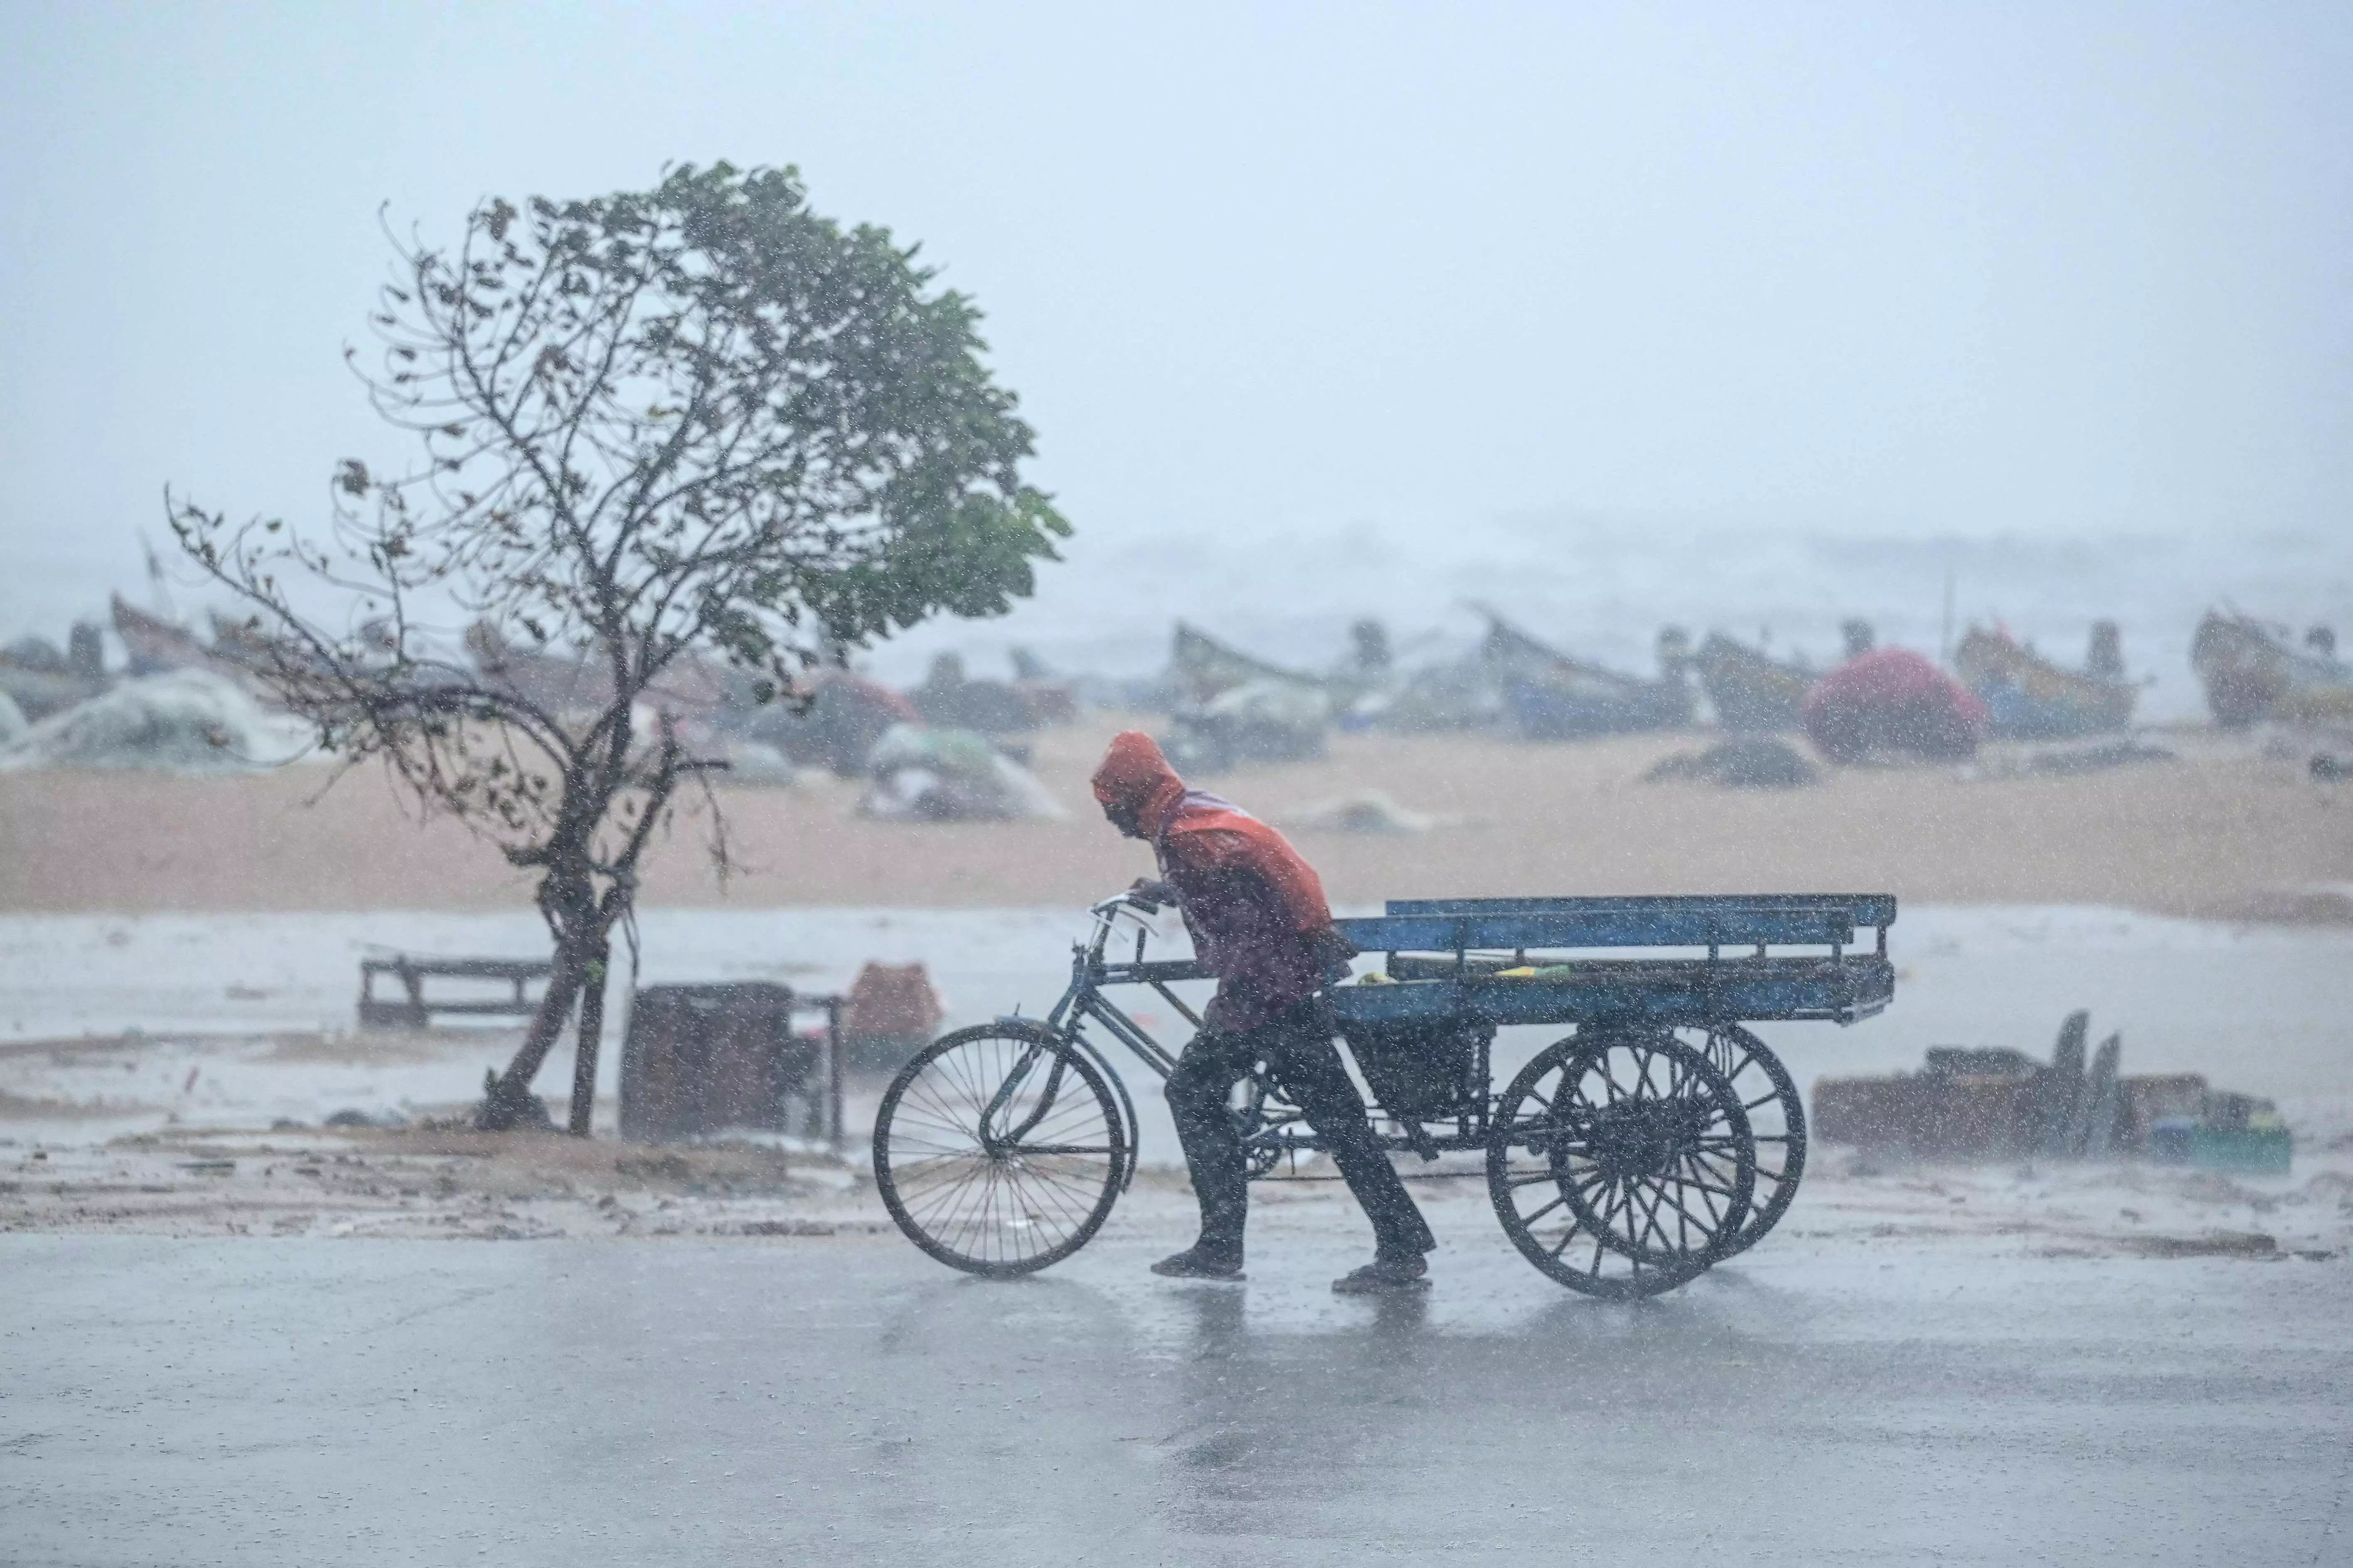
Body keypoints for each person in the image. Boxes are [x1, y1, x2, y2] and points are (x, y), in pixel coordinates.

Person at [1089, 730, 1437, 1293]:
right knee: (1338, 1120)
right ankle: (1397, 1242)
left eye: (1114, 809)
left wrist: (1236, 1003)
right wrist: (1168, 889)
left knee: (1193, 1092)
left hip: (1267, 995)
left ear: (1133, 797)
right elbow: (1248, 876)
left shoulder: (1186, 839)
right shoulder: (1192, 815)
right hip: (1282, 984)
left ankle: (1222, 1246)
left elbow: (1246, 923)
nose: (1114, 822)